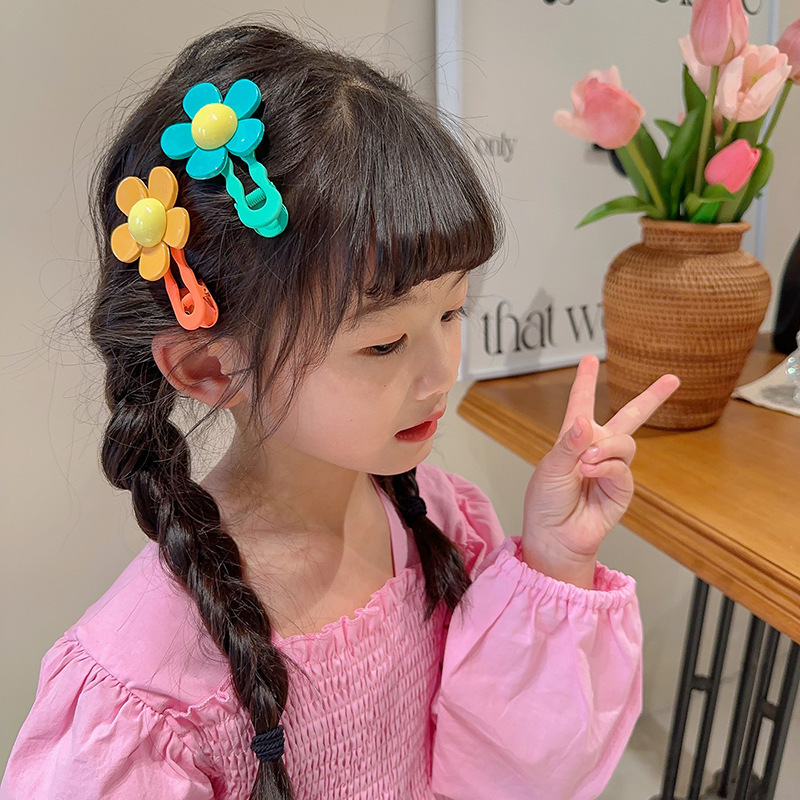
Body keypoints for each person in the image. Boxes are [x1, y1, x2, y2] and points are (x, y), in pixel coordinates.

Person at [1, 23, 679, 800]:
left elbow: (505, 775)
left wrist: (556, 558)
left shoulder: (442, 525)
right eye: (384, 344)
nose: (441, 372)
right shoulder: (147, 687)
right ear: (209, 367)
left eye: (453, 312)